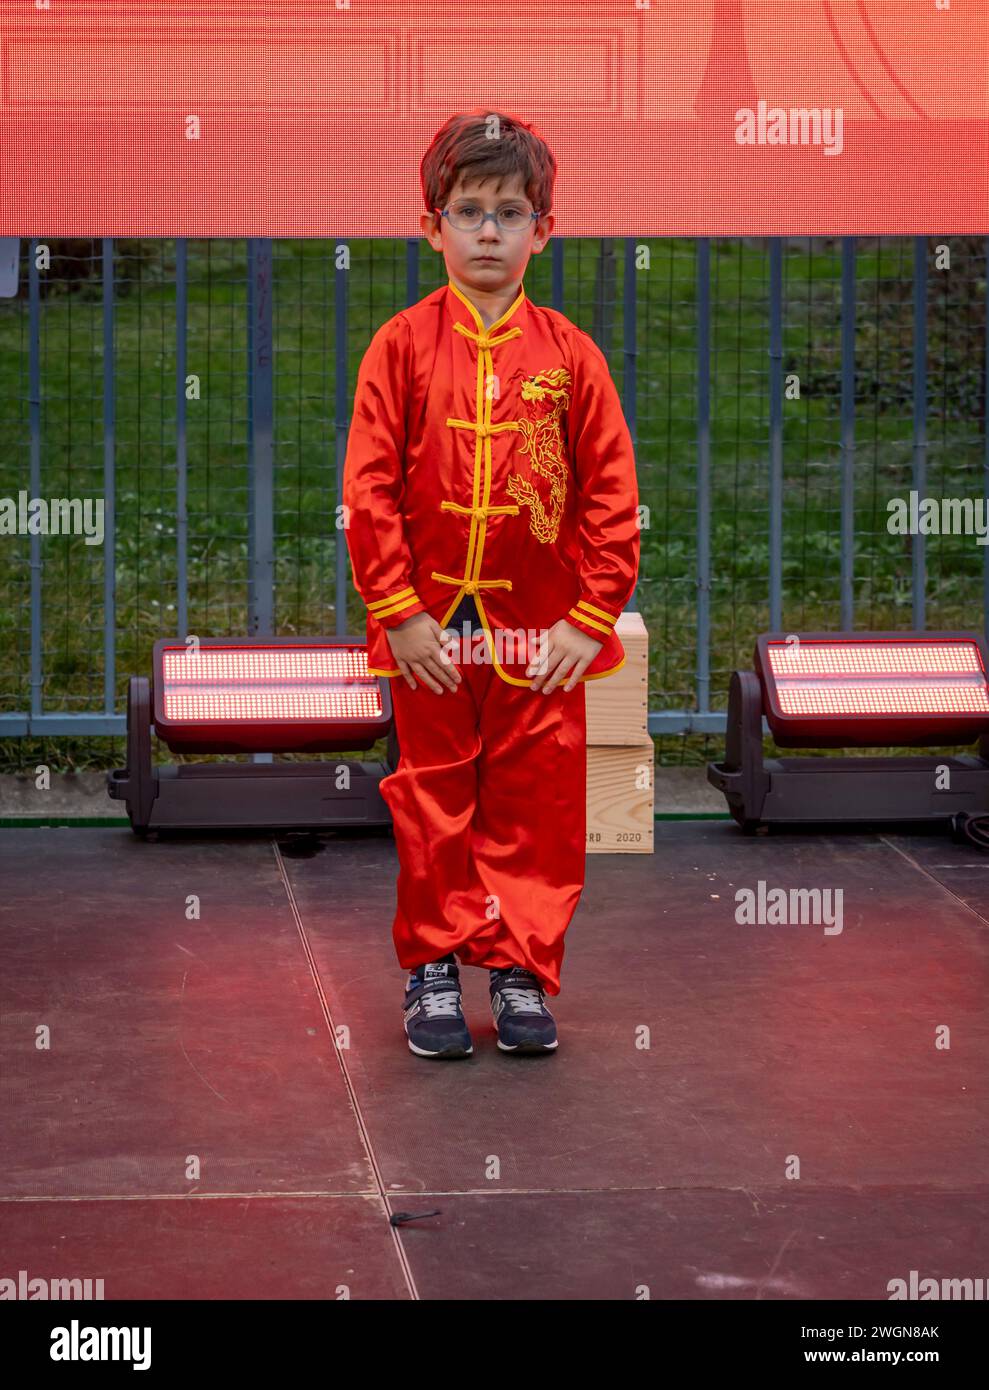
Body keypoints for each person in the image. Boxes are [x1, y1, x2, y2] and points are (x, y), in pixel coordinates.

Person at [342, 108, 640, 1059]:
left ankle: (519, 967)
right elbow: (369, 486)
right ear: (429, 225)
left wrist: (585, 619)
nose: (486, 232)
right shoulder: (398, 346)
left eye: (508, 213)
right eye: (466, 211)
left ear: (542, 229)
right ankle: (431, 967)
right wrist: (401, 615)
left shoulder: (571, 355)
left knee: (537, 803)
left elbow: (610, 495)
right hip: (430, 632)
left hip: (538, 637)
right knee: (431, 798)